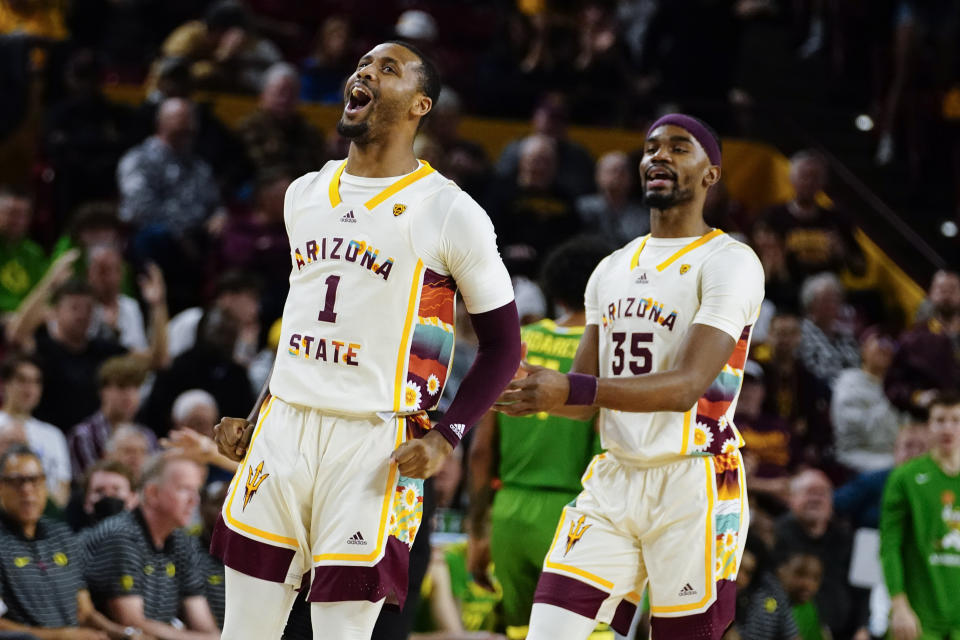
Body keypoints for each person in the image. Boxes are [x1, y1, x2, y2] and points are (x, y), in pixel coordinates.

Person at [209, 41, 521, 640]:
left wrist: (447, 437)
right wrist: (254, 415)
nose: (365, 72)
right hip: (283, 431)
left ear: (419, 105)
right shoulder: (305, 193)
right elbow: (306, 321)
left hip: (376, 442)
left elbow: (504, 347)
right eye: (361, 65)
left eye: (387, 68)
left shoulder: (450, 211)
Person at [496, 114, 765, 639]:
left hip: (694, 481)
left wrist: (571, 388)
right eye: (650, 148)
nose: (658, 156)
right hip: (614, 478)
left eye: (678, 148)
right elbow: (580, 402)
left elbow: (688, 386)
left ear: (711, 175)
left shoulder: (730, 262)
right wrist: (530, 385)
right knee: (548, 631)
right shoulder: (612, 266)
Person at [468, 237, 610, 639]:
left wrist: (479, 531)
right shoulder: (603, 351)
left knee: (521, 632)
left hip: (509, 511)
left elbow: (480, 452)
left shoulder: (518, 343)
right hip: (574, 512)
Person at [0, 445, 134, 639]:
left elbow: (86, 612)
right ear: (1, 487)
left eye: (35, 480)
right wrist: (62, 636)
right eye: (16, 482)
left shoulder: (61, 534)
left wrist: (126, 633)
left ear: (45, 485)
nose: (27, 489)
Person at [80, 454, 219, 639]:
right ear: (152, 493)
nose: (194, 500)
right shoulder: (120, 535)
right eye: (184, 489)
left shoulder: (183, 541)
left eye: (197, 491)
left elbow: (204, 624)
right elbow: (132, 623)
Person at [880, 392, 960, 640]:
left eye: (956, 420)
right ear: (928, 427)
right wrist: (899, 605)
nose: (948, 428)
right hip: (920, 617)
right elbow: (890, 546)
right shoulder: (905, 477)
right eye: (940, 420)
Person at [773, 470, 869, 639]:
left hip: (845, 633)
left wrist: (862, 628)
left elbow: (862, 587)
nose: (816, 498)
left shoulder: (847, 536)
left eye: (823, 493)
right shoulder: (775, 536)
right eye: (809, 492)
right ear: (791, 498)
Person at [68, 355, 156, 482]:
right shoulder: (83, 436)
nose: (129, 395)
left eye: (135, 388)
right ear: (103, 391)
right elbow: (88, 485)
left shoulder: (147, 436)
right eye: (122, 387)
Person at [0, 354, 71, 506]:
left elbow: (63, 491)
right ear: (5, 384)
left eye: (36, 382)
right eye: (22, 380)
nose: (29, 388)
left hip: (45, 517)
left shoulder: (53, 435)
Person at [830, 328, 905, 473]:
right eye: (879, 342)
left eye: (891, 344)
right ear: (863, 349)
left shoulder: (897, 385)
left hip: (895, 453)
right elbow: (863, 432)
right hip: (860, 454)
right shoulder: (849, 382)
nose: (886, 348)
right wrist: (891, 400)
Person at [237, 62, 326, 179]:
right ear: (263, 94)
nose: (285, 99)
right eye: (279, 92)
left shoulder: (310, 133)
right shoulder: (248, 130)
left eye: (291, 94)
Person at [0, 188, 48, 313]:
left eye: (23, 215)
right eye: (11, 213)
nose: (17, 221)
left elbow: (42, 292)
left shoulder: (34, 252)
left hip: (26, 320)